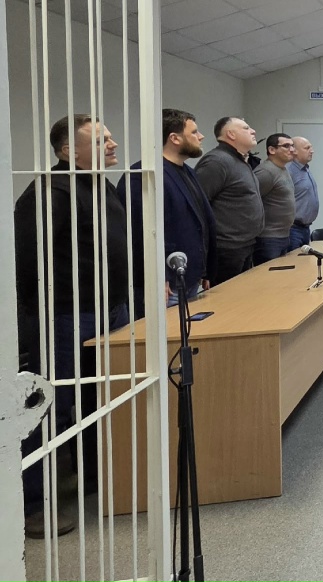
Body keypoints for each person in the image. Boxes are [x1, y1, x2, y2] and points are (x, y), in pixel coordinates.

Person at [15, 115, 131, 538]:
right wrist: (46, 311)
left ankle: (93, 476)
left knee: (99, 398)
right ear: (69, 151)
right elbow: (27, 259)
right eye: (100, 140)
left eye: (109, 137)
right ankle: (31, 503)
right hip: (66, 315)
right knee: (52, 404)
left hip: (109, 309)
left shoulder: (100, 184)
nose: (113, 144)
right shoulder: (50, 191)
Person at [119, 108, 217, 314]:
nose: (201, 136)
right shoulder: (144, 175)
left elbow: (200, 222)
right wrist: (158, 276)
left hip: (189, 276)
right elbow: (141, 232)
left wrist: (205, 269)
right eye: (194, 132)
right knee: (167, 333)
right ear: (174, 138)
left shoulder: (188, 171)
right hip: (167, 283)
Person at [194, 116, 263, 284]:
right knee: (227, 298)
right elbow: (198, 205)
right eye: (246, 128)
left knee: (242, 295)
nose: (253, 131)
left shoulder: (240, 160)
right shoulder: (217, 161)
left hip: (245, 245)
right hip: (226, 249)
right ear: (231, 134)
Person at [254, 133, 296, 264]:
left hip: (283, 235)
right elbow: (251, 201)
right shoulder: (266, 172)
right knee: (270, 275)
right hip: (267, 237)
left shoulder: (282, 169)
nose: (292, 150)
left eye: (292, 146)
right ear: (272, 150)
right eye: (286, 146)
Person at [288, 136, 318, 250]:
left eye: (311, 147)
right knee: (294, 260)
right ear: (294, 151)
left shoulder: (305, 169)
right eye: (307, 148)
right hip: (293, 229)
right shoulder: (289, 171)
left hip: (305, 228)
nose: (312, 151)